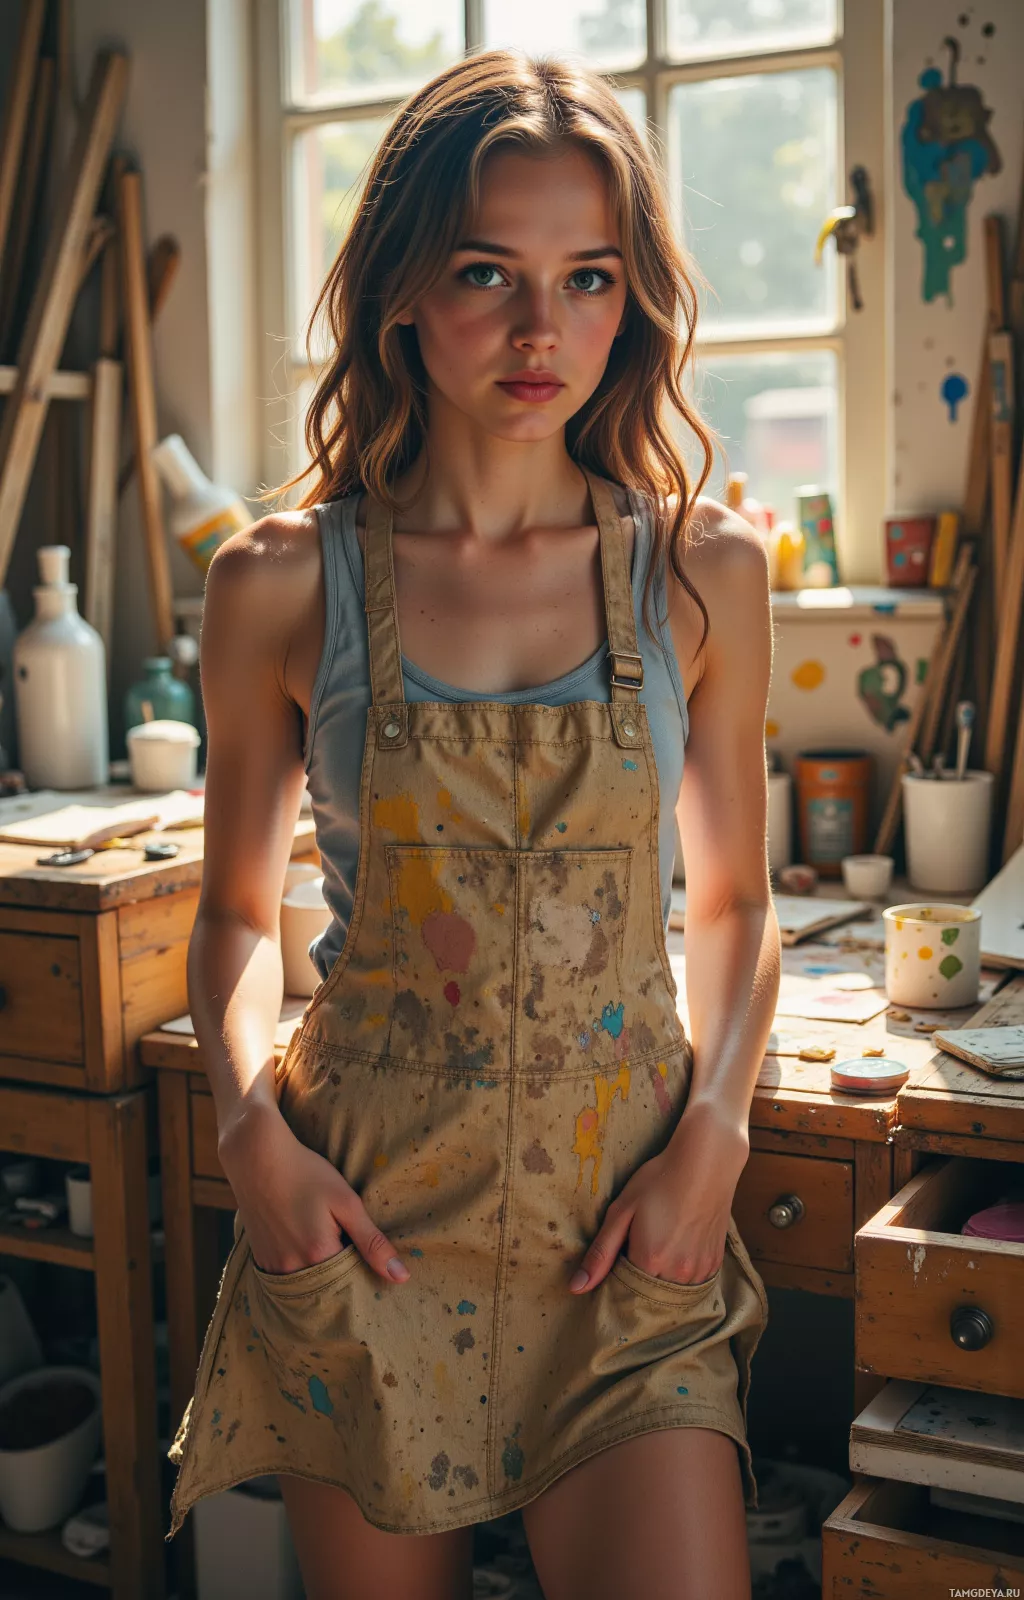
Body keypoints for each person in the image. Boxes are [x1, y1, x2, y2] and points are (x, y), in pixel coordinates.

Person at [168, 46, 780, 1600]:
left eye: (587, 278)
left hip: (622, 1226)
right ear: (399, 295)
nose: (539, 330)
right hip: (368, 1215)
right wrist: (251, 1134)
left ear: (631, 299)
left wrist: (717, 1131)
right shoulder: (281, 583)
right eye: (486, 274)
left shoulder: (703, 571)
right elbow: (240, 916)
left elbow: (731, 910)